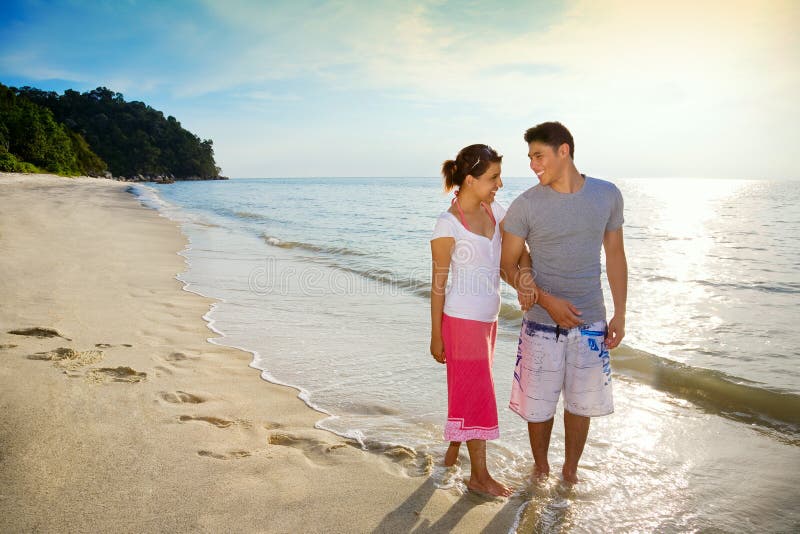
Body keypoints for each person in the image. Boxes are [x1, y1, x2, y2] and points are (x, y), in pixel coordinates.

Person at [500, 121, 628, 484]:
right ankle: (540, 470)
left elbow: (615, 255)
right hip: (541, 324)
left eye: (538, 155)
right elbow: (506, 265)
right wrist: (545, 299)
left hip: (591, 323)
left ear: (564, 151)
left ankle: (569, 473)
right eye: (529, 157)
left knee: (580, 405)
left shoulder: (607, 194)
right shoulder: (526, 204)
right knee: (538, 408)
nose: (532, 164)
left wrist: (620, 312)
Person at [430, 143, 530, 498]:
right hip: (461, 322)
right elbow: (438, 284)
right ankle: (479, 476)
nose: (499, 184)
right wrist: (435, 336)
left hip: (488, 321)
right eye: (493, 177)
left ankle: (455, 450)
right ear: (470, 180)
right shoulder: (448, 224)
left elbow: (518, 250)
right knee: (479, 395)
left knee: (469, 390)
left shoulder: (493, 210)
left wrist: (525, 280)